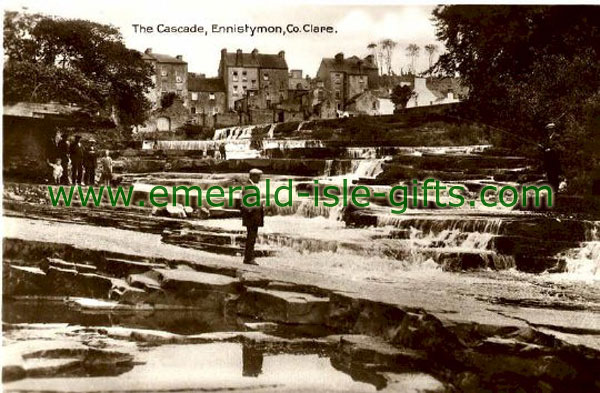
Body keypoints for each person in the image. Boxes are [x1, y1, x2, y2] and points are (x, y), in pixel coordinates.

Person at [240, 168, 264, 265]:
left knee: (251, 237)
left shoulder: (249, 186)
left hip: (251, 216)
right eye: (258, 177)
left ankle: (248, 257)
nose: (259, 179)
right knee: (251, 238)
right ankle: (249, 258)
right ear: (252, 176)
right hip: (252, 217)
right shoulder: (249, 187)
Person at [540, 123, 562, 192]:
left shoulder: (557, 137)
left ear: (553, 129)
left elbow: (558, 147)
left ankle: (556, 189)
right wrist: (542, 147)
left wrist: (551, 149)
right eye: (548, 129)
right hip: (548, 159)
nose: (549, 131)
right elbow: (545, 147)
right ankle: (551, 189)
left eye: (550, 129)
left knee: (554, 174)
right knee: (549, 174)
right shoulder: (547, 138)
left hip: (554, 159)